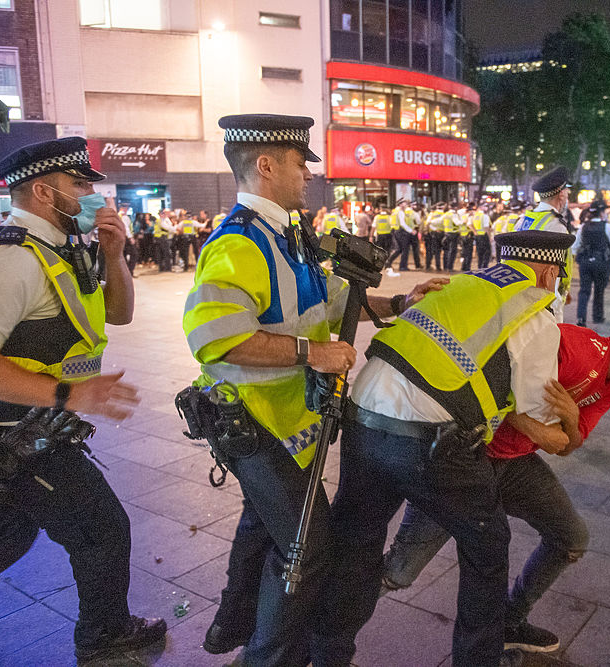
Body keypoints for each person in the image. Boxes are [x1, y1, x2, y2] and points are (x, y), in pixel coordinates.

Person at [183, 114, 444, 664]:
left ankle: (232, 628)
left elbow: (333, 303)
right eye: (301, 164)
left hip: (285, 423)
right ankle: (270, 655)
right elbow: (214, 339)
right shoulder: (239, 243)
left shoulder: (289, 237)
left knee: (264, 525)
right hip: (251, 423)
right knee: (306, 545)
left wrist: (399, 304)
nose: (309, 175)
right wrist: (311, 353)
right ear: (267, 165)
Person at [313, 231, 575, 667]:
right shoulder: (534, 310)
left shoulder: (461, 284)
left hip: (362, 420)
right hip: (431, 447)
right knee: (487, 546)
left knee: (356, 543)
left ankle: (327, 654)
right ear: (550, 271)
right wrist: (569, 423)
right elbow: (535, 413)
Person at [0, 136, 166, 661]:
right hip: (11, 437)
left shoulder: (62, 250)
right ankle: (106, 639)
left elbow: (118, 315)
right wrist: (69, 393)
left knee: (7, 536)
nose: (91, 196)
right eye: (80, 185)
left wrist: (115, 256)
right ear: (45, 192)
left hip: (33, 430)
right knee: (102, 531)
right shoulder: (11, 260)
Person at [380, 306, 610, 654]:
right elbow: (489, 379)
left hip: (515, 462)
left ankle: (509, 622)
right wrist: (543, 431)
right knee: (400, 572)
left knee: (571, 538)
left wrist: (569, 419)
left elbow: (568, 446)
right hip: (465, 460)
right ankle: (324, 624)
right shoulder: (573, 348)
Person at [515, 166, 576, 322]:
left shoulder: (524, 220)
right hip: (544, 303)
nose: (568, 196)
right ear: (561, 194)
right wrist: (555, 314)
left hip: (521, 296)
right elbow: (552, 272)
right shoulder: (555, 225)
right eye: (567, 193)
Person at [573, 200, 610, 326]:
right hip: (600, 262)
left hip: (585, 262)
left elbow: (575, 245)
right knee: (599, 289)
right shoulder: (606, 226)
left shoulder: (583, 226)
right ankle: (598, 316)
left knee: (584, 291)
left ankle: (581, 319)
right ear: (602, 212)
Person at [471, 202, 492, 268]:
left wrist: (475, 231)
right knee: (487, 252)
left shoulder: (475, 216)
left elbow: (470, 224)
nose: (486, 208)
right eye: (485, 206)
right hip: (484, 236)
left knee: (479, 253)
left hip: (477, 236)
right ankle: (485, 267)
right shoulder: (485, 216)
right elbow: (486, 227)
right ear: (480, 207)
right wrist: (489, 237)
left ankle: (479, 267)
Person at [442, 202, 461, 271]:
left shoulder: (446, 214)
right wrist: (464, 221)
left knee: (446, 251)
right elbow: (457, 222)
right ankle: (450, 267)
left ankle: (445, 266)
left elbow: (439, 222)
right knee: (452, 251)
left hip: (446, 233)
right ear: (455, 207)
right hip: (453, 234)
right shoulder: (454, 214)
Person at [460, 201, 476, 272]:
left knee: (464, 252)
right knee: (469, 253)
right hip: (468, 236)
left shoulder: (463, 216)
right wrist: (475, 232)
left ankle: (463, 266)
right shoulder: (469, 217)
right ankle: (467, 267)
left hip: (462, 236)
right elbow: (469, 225)